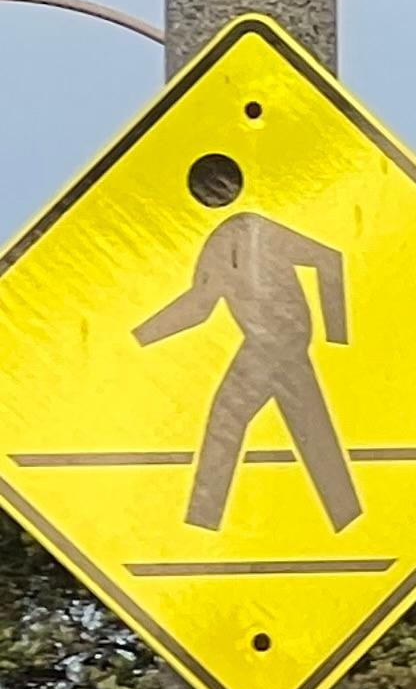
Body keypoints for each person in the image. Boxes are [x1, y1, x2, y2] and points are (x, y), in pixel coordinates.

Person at [131, 150, 361, 531]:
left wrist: (337, 335)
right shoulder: (219, 241)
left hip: (278, 342)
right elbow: (200, 305)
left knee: (227, 419)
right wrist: (140, 338)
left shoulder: (251, 229)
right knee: (308, 427)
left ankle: (202, 523)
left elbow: (328, 259)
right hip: (269, 343)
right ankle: (347, 518)